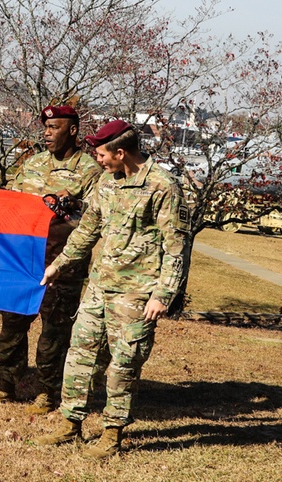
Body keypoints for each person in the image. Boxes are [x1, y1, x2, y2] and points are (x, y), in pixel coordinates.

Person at [36, 120, 190, 458]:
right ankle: (70, 422)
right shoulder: (107, 182)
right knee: (79, 355)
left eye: (102, 154)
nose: (99, 160)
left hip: (137, 294)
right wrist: (58, 265)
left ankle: (112, 432)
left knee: (123, 363)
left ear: (121, 152)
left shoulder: (162, 186)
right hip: (100, 285)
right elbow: (87, 230)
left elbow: (176, 245)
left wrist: (164, 294)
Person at [0, 105, 103, 414]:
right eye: (45, 127)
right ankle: (6, 383)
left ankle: (47, 391)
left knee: (54, 330)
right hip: (23, 259)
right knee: (12, 322)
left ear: (72, 131)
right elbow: (13, 203)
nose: (46, 132)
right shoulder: (33, 164)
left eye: (53, 127)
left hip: (62, 263)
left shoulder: (89, 170)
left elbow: (95, 218)